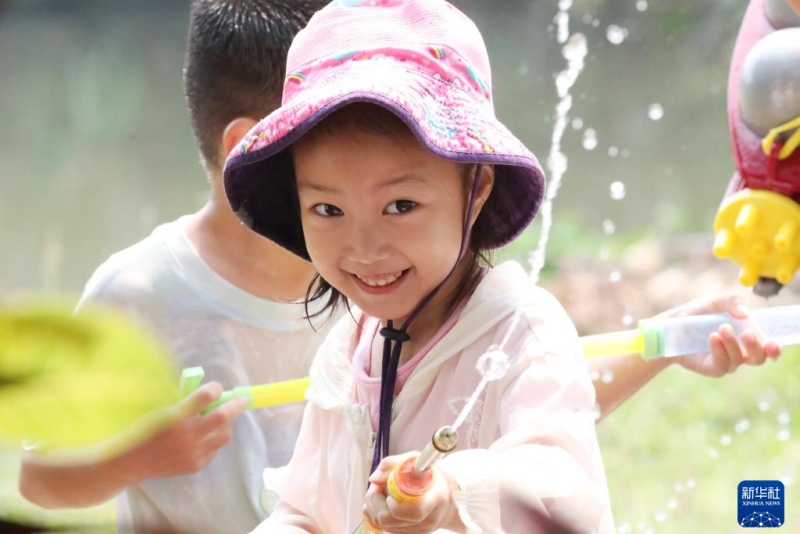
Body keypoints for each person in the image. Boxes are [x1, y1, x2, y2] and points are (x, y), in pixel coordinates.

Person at [17, 0, 781, 532]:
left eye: (401, 207)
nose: (363, 250)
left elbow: (561, 483)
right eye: (326, 211)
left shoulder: (524, 330)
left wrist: (451, 492)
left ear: (475, 187)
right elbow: (307, 509)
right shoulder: (351, 342)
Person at [17, 2, 328, 534]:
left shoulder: (372, 283)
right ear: (251, 149)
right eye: (340, 137)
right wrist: (140, 457)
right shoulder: (139, 293)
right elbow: (37, 478)